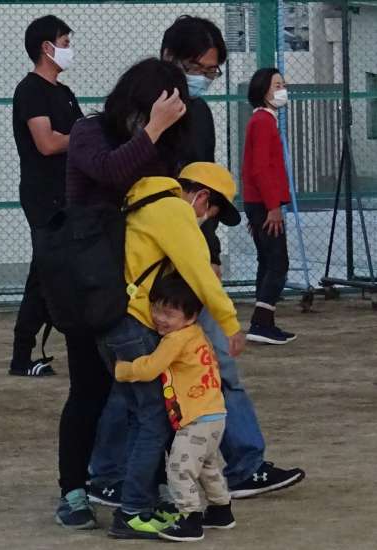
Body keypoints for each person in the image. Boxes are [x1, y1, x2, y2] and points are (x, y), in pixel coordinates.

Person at [89, 16, 305, 507]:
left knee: (199, 371)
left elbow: (201, 195)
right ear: (170, 57)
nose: (204, 78)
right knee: (151, 379)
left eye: (211, 70)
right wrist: (224, 308)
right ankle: (114, 476)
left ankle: (239, 463)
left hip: (182, 261)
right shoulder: (132, 120)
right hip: (155, 277)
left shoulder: (198, 117)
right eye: (197, 68)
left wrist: (208, 251)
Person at [55, 58, 190, 530]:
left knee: (150, 394)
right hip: (90, 281)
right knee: (89, 389)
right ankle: (74, 490)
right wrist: (152, 130)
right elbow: (111, 173)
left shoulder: (160, 146)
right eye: (154, 109)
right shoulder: (88, 131)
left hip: (140, 286)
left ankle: (144, 490)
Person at [97, 162, 245, 540]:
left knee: (139, 416)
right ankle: (133, 510)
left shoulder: (142, 202)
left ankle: (141, 501)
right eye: (212, 212)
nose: (206, 219)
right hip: (134, 321)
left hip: (113, 317)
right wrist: (229, 321)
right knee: (154, 420)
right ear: (202, 197)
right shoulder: (174, 210)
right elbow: (199, 272)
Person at [115, 274, 236, 542]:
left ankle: (190, 518)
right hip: (215, 414)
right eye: (156, 309)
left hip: (195, 418)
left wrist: (123, 370)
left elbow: (151, 368)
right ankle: (221, 510)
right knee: (206, 466)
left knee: (179, 468)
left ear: (191, 316)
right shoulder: (197, 334)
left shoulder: (176, 339)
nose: (159, 318)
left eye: (168, 314)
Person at [9, 15, 83, 377]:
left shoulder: (64, 93)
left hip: (68, 196)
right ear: (46, 47)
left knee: (47, 273)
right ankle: (22, 355)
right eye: (65, 43)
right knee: (45, 275)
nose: (69, 50)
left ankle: (23, 354)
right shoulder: (31, 91)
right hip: (45, 199)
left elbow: (82, 134)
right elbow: (47, 143)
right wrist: (81, 138)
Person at [243, 68, 296, 345]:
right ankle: (261, 323)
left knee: (267, 260)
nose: (282, 90)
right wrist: (273, 207)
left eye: (283, 85)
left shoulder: (261, 120)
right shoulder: (263, 121)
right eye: (277, 85)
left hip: (258, 203)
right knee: (278, 262)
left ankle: (263, 321)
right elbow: (261, 169)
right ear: (262, 90)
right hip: (264, 204)